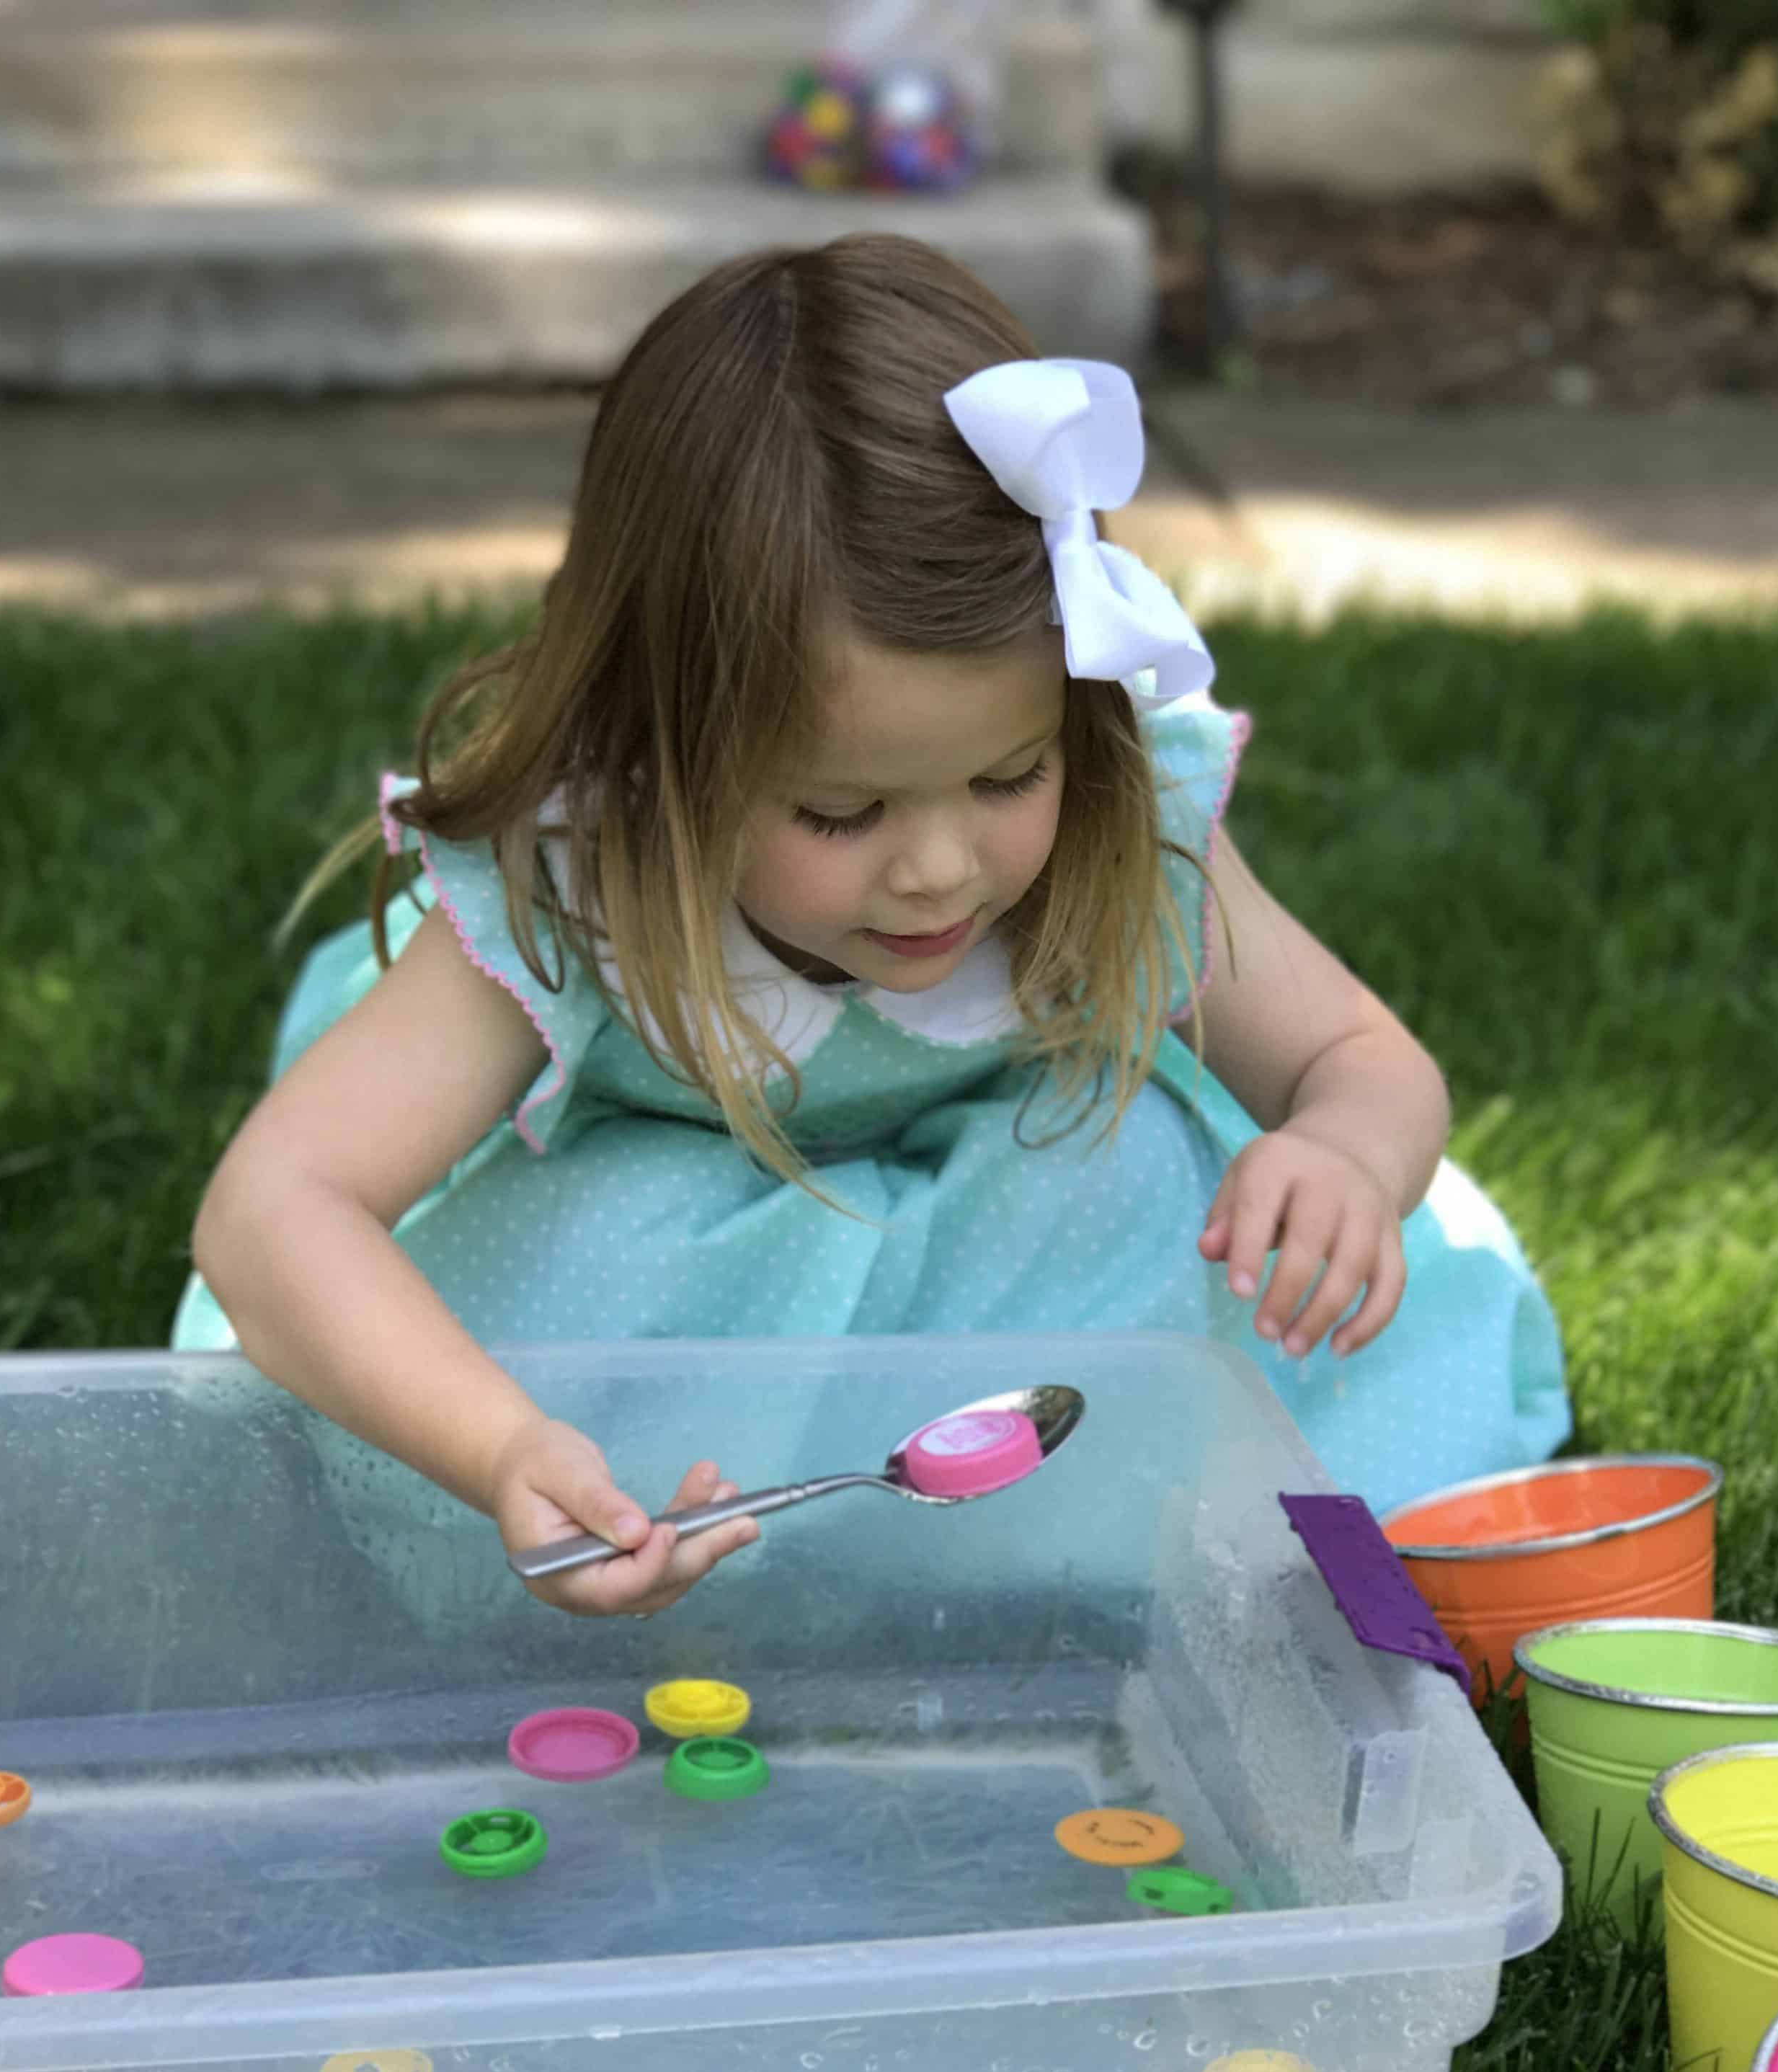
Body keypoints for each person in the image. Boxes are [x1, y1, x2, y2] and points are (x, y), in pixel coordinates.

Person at [181, 236, 1567, 1621]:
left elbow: (1359, 1055)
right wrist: (501, 1446)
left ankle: (1010, 1526)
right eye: (841, 812)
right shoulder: (583, 881)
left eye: (1010, 777)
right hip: (689, 1282)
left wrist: (1338, 1154)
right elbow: (272, 1212)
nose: (942, 870)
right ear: (664, 752)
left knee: (1140, 1180)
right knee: (538, 1300)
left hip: (1016, 1239)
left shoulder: (1114, 825)